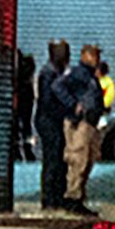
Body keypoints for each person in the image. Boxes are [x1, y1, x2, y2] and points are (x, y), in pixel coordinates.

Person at [62, 45, 109, 207]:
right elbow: (58, 87)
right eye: (94, 56)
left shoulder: (90, 75)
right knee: (78, 159)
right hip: (81, 123)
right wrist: (73, 105)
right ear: (85, 56)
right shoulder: (78, 73)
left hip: (90, 123)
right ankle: (72, 197)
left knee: (87, 159)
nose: (98, 59)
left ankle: (78, 196)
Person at [31, 39, 75, 210]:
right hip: (49, 122)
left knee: (57, 160)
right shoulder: (49, 73)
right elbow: (48, 102)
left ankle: (56, 196)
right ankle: (50, 198)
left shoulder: (54, 72)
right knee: (52, 160)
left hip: (51, 120)